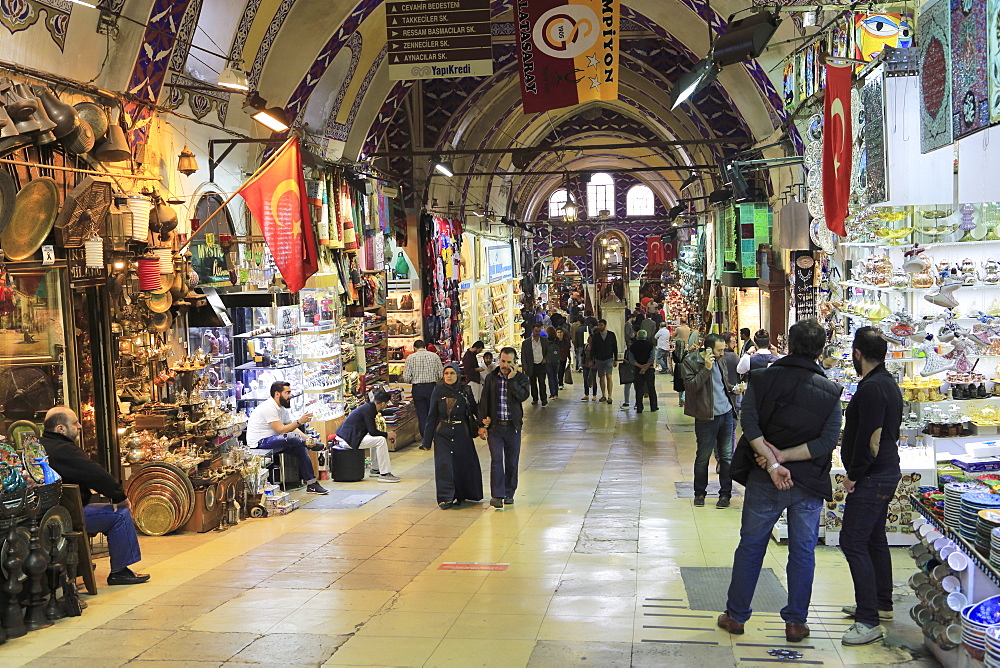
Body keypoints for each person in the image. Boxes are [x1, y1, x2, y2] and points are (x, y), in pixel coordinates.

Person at [717, 318, 843, 643]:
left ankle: (736, 616)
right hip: (809, 482)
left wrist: (773, 461)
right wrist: (785, 457)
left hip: (764, 480)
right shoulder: (830, 392)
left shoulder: (762, 378)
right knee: (803, 551)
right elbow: (827, 441)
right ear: (820, 349)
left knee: (751, 546)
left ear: (787, 343)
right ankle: (796, 623)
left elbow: (748, 420)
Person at [836, 327, 903, 646]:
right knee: (874, 538)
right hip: (882, 472)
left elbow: (872, 439)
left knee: (852, 540)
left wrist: (854, 474)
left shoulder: (874, 388)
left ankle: (868, 620)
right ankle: (881, 603)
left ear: (858, 354)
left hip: (873, 474)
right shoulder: (885, 383)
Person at [43, 406, 150, 586]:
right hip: (67, 517)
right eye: (75, 423)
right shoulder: (64, 449)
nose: (79, 426)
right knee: (120, 516)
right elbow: (96, 474)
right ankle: (120, 572)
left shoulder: (41, 445)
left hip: (51, 514)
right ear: (60, 428)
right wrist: (120, 497)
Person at [680, 333, 741, 508]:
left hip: (726, 413)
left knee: (727, 457)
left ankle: (725, 495)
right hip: (706, 416)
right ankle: (699, 494)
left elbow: (722, 384)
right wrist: (706, 368)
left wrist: (734, 389)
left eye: (724, 349)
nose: (723, 353)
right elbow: (691, 387)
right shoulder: (690, 361)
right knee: (703, 457)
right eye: (719, 350)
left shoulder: (721, 360)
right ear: (708, 349)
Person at [246, 381, 329, 494]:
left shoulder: (282, 409)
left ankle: (312, 484)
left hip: (275, 441)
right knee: (292, 437)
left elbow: (292, 428)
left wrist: (308, 440)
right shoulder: (268, 407)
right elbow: (281, 430)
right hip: (260, 443)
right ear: (277, 394)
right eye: (287, 393)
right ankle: (307, 445)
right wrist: (299, 421)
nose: (290, 395)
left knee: (300, 448)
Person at [423, 363, 484, 509]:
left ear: (457, 375)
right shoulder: (437, 391)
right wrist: (426, 440)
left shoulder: (465, 390)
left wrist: (483, 424)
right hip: (442, 432)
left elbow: (475, 409)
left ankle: (463, 493)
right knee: (444, 464)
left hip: (461, 432)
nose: (449, 376)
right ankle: (445, 498)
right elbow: (432, 416)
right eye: (446, 373)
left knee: (461, 464)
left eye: (452, 373)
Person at [478, 346, 531, 509]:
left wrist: (512, 380)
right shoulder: (491, 378)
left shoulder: (521, 378)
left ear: (514, 363)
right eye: (502, 361)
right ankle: (497, 495)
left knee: (512, 462)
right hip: (495, 428)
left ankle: (509, 493)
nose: (505, 365)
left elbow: (522, 396)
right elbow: (484, 400)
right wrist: (482, 423)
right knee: (496, 460)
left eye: (508, 362)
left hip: (513, 427)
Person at [335, 390, 399, 482]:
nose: (386, 406)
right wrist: (387, 434)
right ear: (383, 403)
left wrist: (385, 435)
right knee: (380, 440)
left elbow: (372, 432)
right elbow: (373, 431)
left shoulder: (369, 408)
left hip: (347, 438)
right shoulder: (369, 410)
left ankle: (375, 469)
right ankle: (385, 473)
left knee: (377, 439)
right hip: (348, 440)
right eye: (387, 404)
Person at [402, 339, 443, 437]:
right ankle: (435, 435)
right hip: (432, 387)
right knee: (433, 412)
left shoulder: (410, 358)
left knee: (421, 414)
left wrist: (413, 380)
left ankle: (425, 438)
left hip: (418, 389)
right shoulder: (434, 356)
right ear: (425, 346)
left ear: (414, 348)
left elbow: (406, 378)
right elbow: (440, 374)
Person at [589, 319, 618, 404]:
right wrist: (591, 359)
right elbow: (593, 348)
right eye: (599, 325)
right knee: (601, 377)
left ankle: (610, 396)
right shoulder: (596, 336)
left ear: (605, 325)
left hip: (609, 358)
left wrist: (616, 359)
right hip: (599, 359)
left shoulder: (611, 335)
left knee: (609, 376)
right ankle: (603, 395)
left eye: (601, 325)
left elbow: (615, 347)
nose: (600, 327)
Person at [520, 323, 550, 406]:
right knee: (533, 383)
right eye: (536, 331)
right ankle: (535, 398)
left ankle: (544, 399)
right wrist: (524, 367)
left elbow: (548, 351)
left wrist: (545, 359)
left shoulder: (544, 341)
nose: (538, 333)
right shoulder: (526, 343)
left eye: (539, 331)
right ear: (532, 330)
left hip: (541, 365)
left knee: (542, 382)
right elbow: (523, 355)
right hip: (531, 365)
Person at [629, 329, 658, 412]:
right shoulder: (650, 345)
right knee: (651, 388)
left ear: (637, 336)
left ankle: (639, 407)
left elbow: (632, 360)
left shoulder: (633, 346)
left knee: (639, 389)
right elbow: (652, 358)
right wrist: (646, 367)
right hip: (649, 369)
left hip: (638, 370)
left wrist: (641, 367)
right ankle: (653, 406)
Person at [544, 326, 562, 398]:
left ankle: (552, 393)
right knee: (555, 376)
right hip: (556, 360)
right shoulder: (557, 340)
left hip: (549, 360)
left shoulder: (546, 340)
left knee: (550, 377)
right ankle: (556, 393)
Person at [671, 338, 687, 406]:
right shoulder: (685, 353)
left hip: (677, 369)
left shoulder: (674, 353)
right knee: (685, 385)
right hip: (684, 369)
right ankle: (683, 398)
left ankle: (680, 401)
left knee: (679, 386)